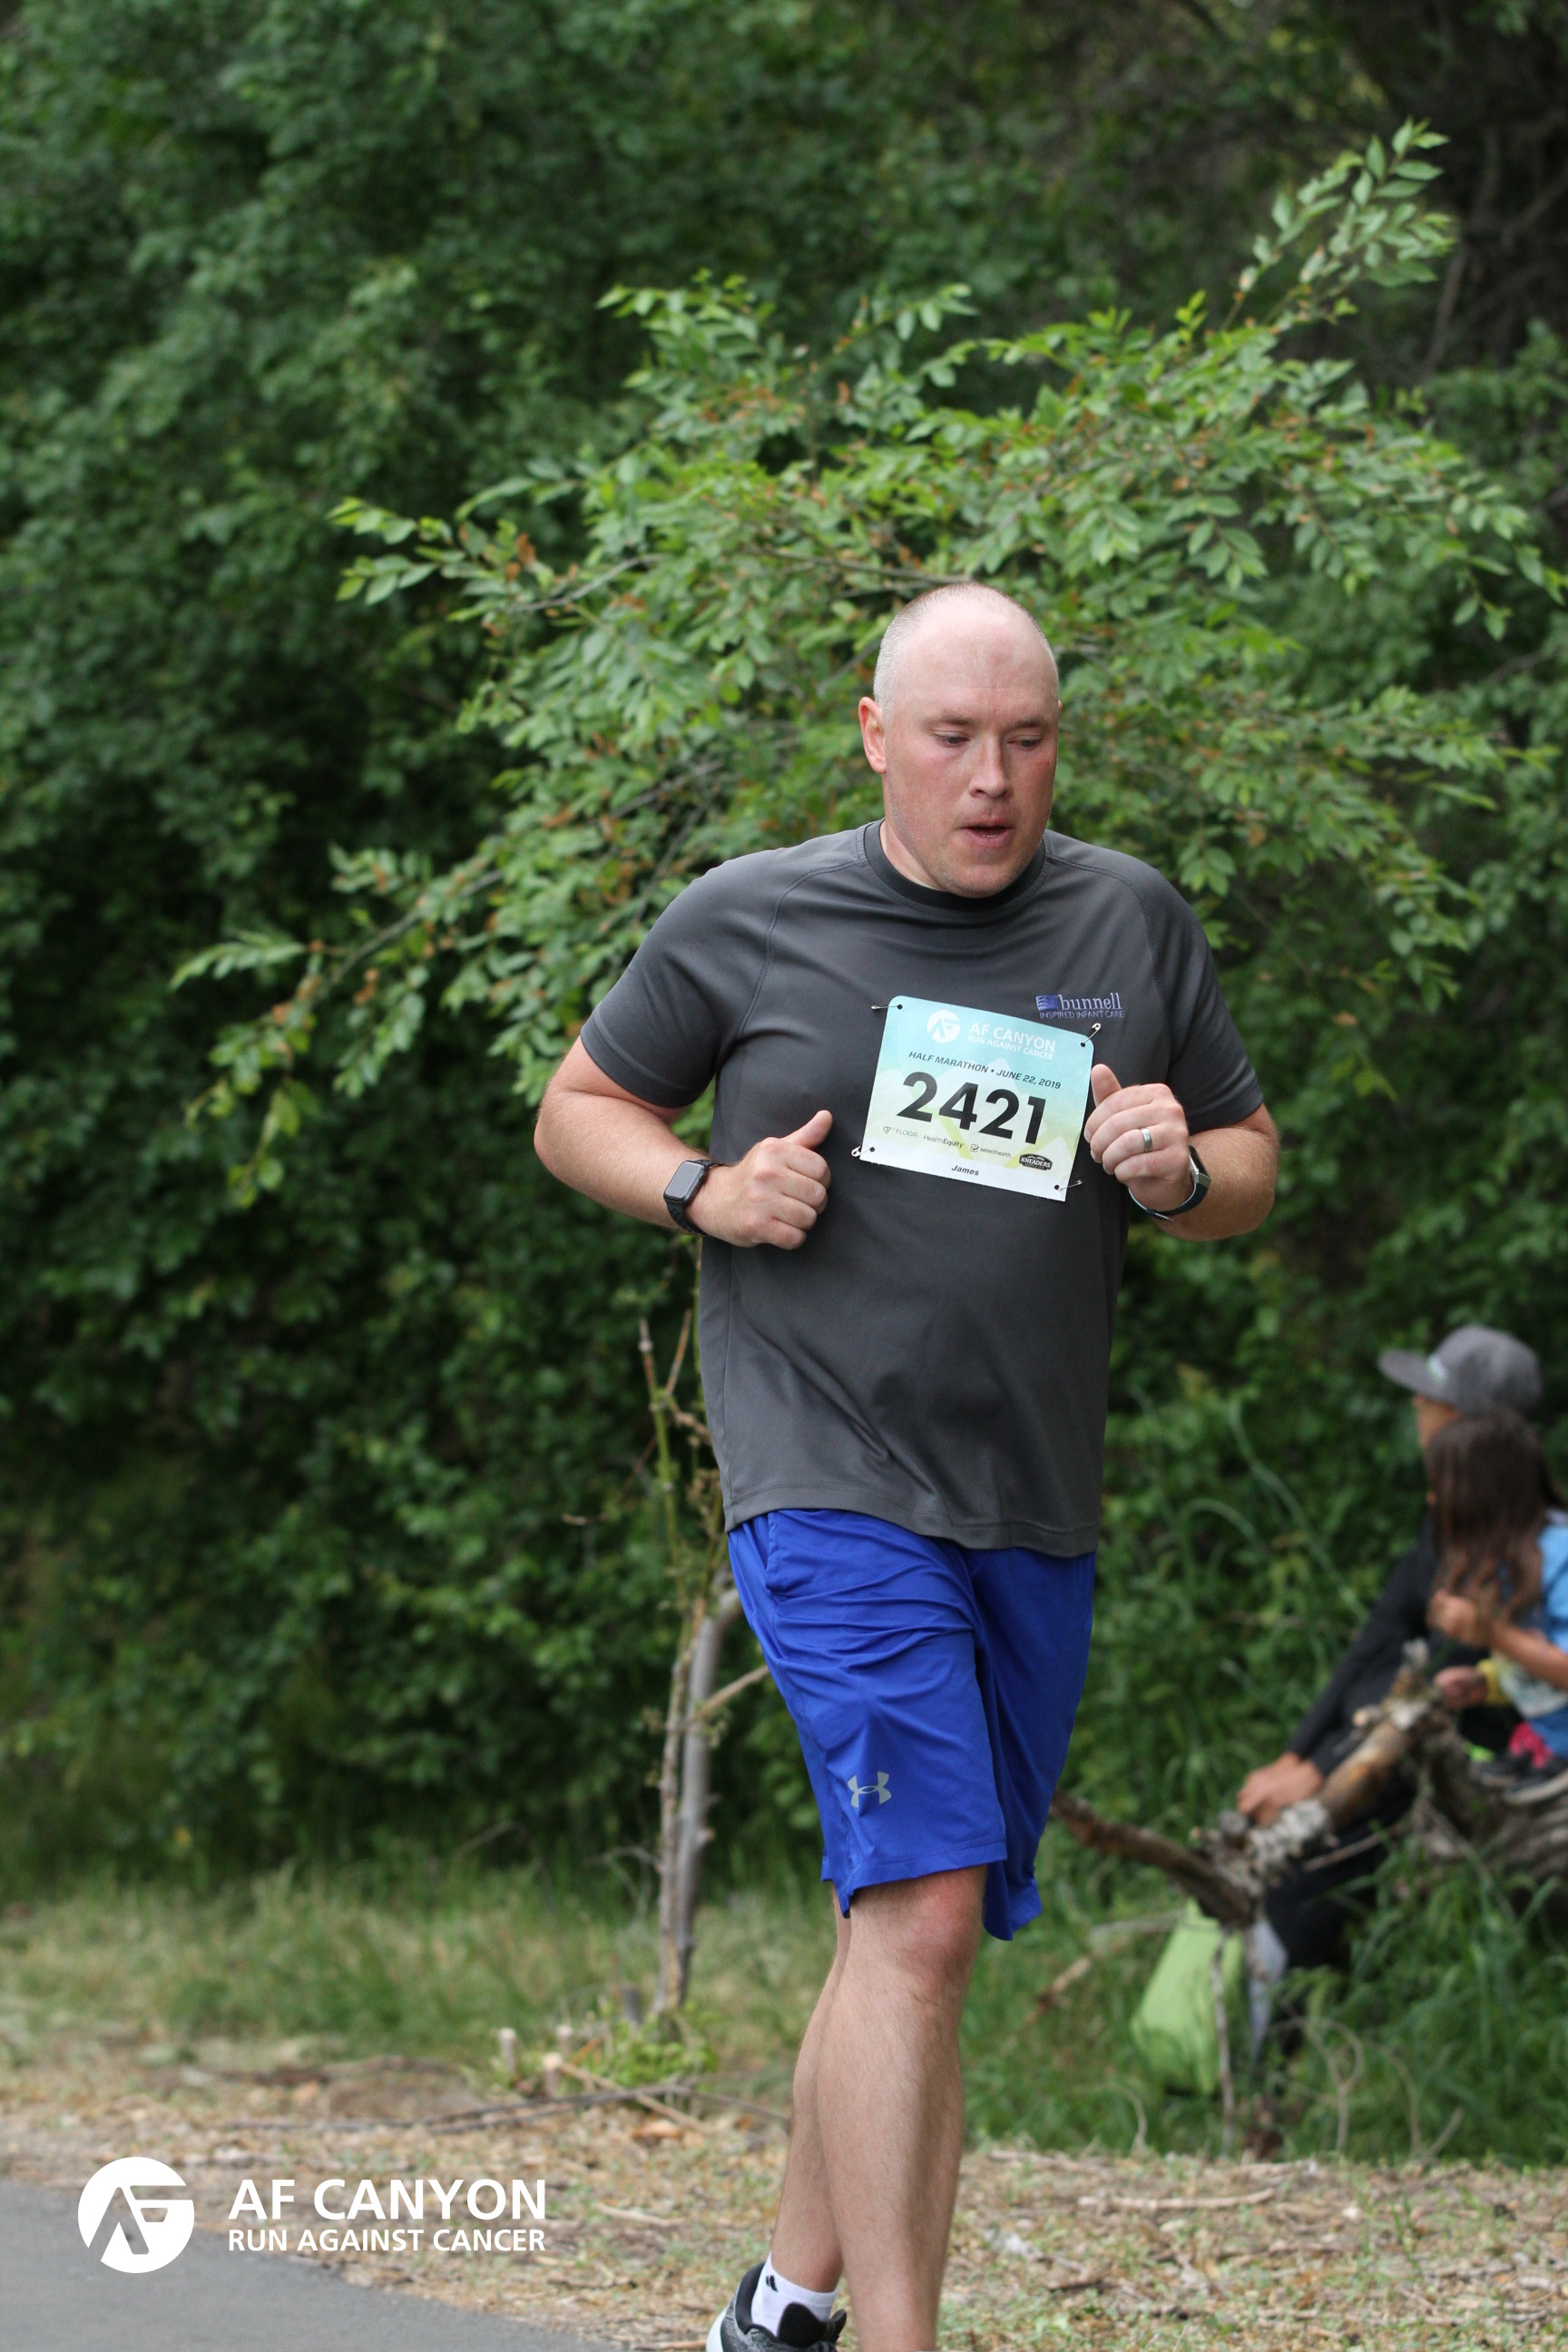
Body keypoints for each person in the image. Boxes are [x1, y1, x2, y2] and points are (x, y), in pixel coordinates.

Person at [534, 581, 1277, 2352]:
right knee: (926, 1916)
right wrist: (706, 1189)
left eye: (1026, 740)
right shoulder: (752, 917)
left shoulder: (1127, 917)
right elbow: (577, 1109)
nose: (991, 778)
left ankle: (781, 2306)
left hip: (1027, 1498)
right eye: (953, 738)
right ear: (877, 738)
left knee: (902, 1929)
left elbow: (1249, 1164)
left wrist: (1180, 1170)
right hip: (823, 1471)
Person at [1237, 1324, 1544, 1976]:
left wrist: (1321, 1775)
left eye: (1433, 1397)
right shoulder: (1442, 1521)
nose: (1416, 1404)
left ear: (1469, 1426)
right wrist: (1297, 1754)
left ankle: (1284, 2017)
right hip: (1390, 1733)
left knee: (1300, 1869)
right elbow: (1379, 1640)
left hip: (1460, 1757)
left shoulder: (1512, 1548)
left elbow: (1441, 1679)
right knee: (1269, 1828)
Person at [1426, 1409, 1568, 1790]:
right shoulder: (1506, 1564)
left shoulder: (1561, 1555)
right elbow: (1542, 1666)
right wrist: (1486, 1684)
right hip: (1545, 1742)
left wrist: (1492, 1634)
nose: (1432, 1499)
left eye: (1443, 1487)